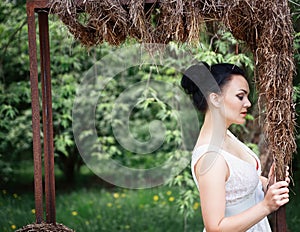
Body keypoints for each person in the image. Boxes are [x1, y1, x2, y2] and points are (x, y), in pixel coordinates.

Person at [181, 62, 290, 232]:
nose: (247, 103)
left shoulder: (226, 135)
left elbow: (238, 188)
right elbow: (215, 227)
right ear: (215, 99)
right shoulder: (211, 158)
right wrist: (266, 206)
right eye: (240, 96)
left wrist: (269, 185)